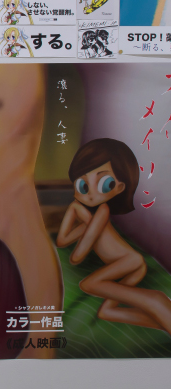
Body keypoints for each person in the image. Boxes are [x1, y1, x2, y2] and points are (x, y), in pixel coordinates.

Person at [56, 138, 171, 335]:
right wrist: (75, 210)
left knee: (89, 284)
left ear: (119, 187)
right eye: (83, 185)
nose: (90, 194)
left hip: (129, 262)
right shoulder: (92, 219)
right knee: (107, 311)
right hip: (127, 263)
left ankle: (157, 301)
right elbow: (62, 240)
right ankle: (164, 319)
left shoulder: (102, 211)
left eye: (104, 183)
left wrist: (80, 216)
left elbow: (77, 256)